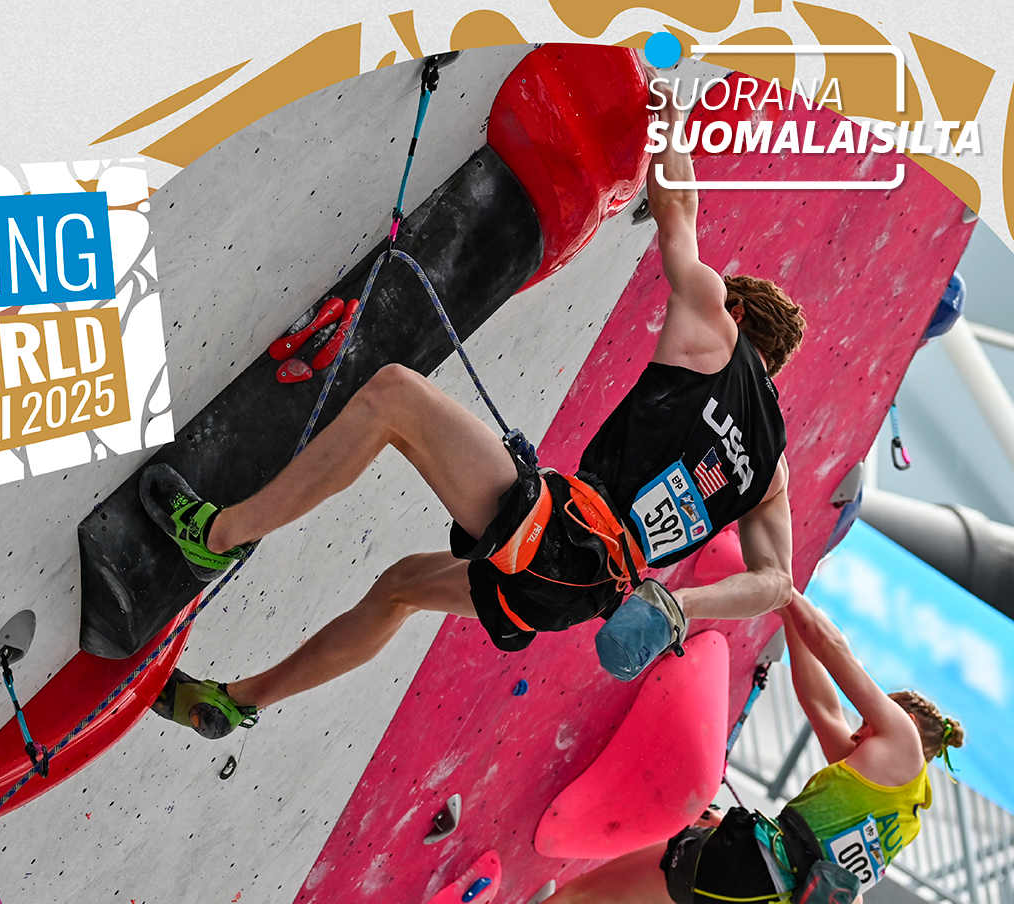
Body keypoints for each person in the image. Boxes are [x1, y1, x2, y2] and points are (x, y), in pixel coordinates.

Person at [144, 94, 804, 738]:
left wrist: (668, 120)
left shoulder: (715, 327)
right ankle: (235, 702)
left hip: (557, 534)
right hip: (579, 595)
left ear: (738, 314)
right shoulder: (770, 468)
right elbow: (776, 585)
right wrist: (679, 606)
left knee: (393, 396)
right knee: (401, 588)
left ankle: (218, 536)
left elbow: (679, 211)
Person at [407, 591, 960, 904]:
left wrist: (783, 590)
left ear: (904, 723)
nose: (859, 729)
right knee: (590, 900)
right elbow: (821, 706)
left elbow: (834, 651)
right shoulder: (901, 812)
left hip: (748, 872)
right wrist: (785, 616)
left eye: (870, 720)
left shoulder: (901, 742)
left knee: (575, 901)